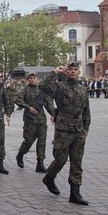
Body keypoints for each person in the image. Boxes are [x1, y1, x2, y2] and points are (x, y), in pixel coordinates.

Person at [39, 62, 90, 205]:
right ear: (66, 72)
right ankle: (49, 177)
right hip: (63, 129)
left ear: (79, 72)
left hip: (78, 129)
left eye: (75, 69)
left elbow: (86, 111)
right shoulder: (60, 87)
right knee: (60, 159)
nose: (73, 72)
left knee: (77, 161)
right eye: (70, 70)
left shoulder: (82, 89)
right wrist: (54, 72)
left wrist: (86, 129)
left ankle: (75, 193)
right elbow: (42, 86)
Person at [14, 72, 55, 173]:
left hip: (41, 120)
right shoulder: (25, 90)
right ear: (27, 80)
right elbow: (17, 100)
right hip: (30, 120)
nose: (32, 79)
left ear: (38, 79)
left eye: (34, 77)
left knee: (42, 142)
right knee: (28, 141)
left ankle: (40, 163)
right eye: (30, 78)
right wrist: (29, 108)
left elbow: (49, 104)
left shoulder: (43, 90)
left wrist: (53, 114)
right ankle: (20, 154)